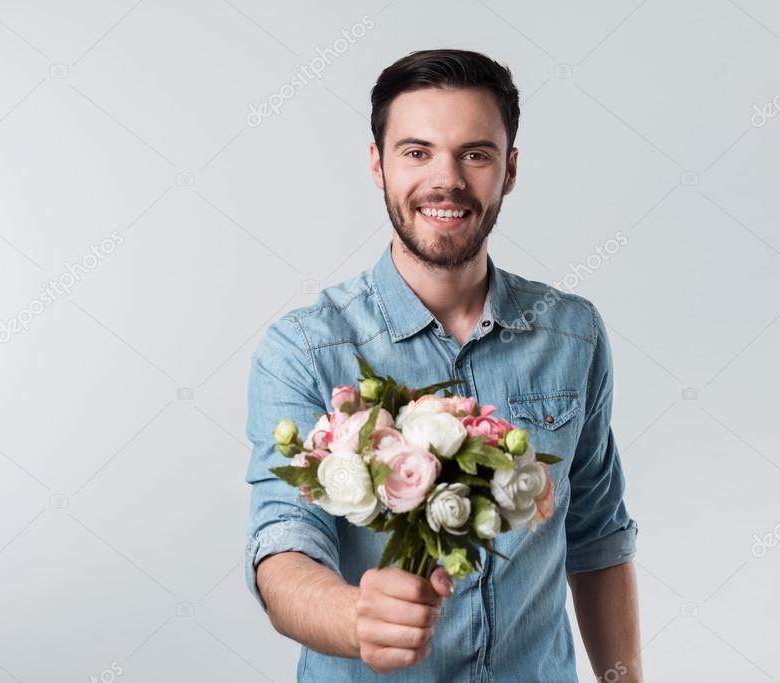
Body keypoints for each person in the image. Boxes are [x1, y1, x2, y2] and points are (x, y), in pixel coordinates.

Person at [244, 48, 641, 682]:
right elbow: (284, 542)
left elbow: (597, 536)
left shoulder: (574, 334)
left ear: (508, 171)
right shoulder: (305, 349)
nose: (446, 180)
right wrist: (354, 617)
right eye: (417, 152)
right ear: (378, 165)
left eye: (475, 154)